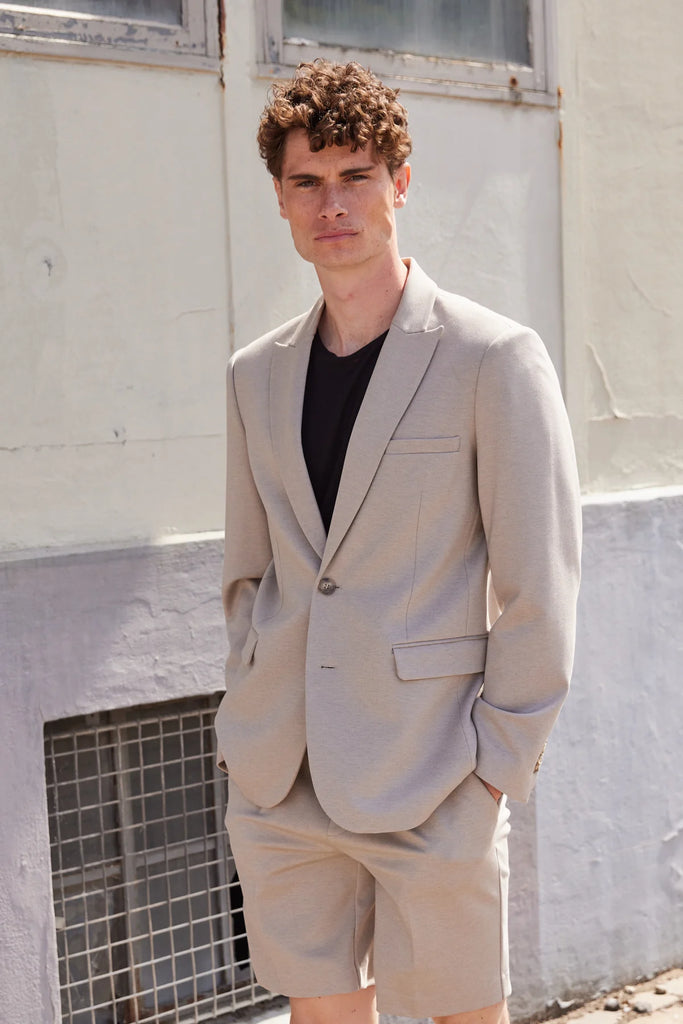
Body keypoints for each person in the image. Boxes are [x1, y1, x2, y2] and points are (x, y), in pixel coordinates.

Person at [215, 58, 581, 1024]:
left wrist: (494, 771)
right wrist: (250, 703)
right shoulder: (255, 375)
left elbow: (539, 586)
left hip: (433, 773)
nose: (331, 203)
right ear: (280, 199)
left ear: (400, 184)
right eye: (306, 181)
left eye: (355, 175)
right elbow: (248, 571)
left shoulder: (491, 356)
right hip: (281, 776)